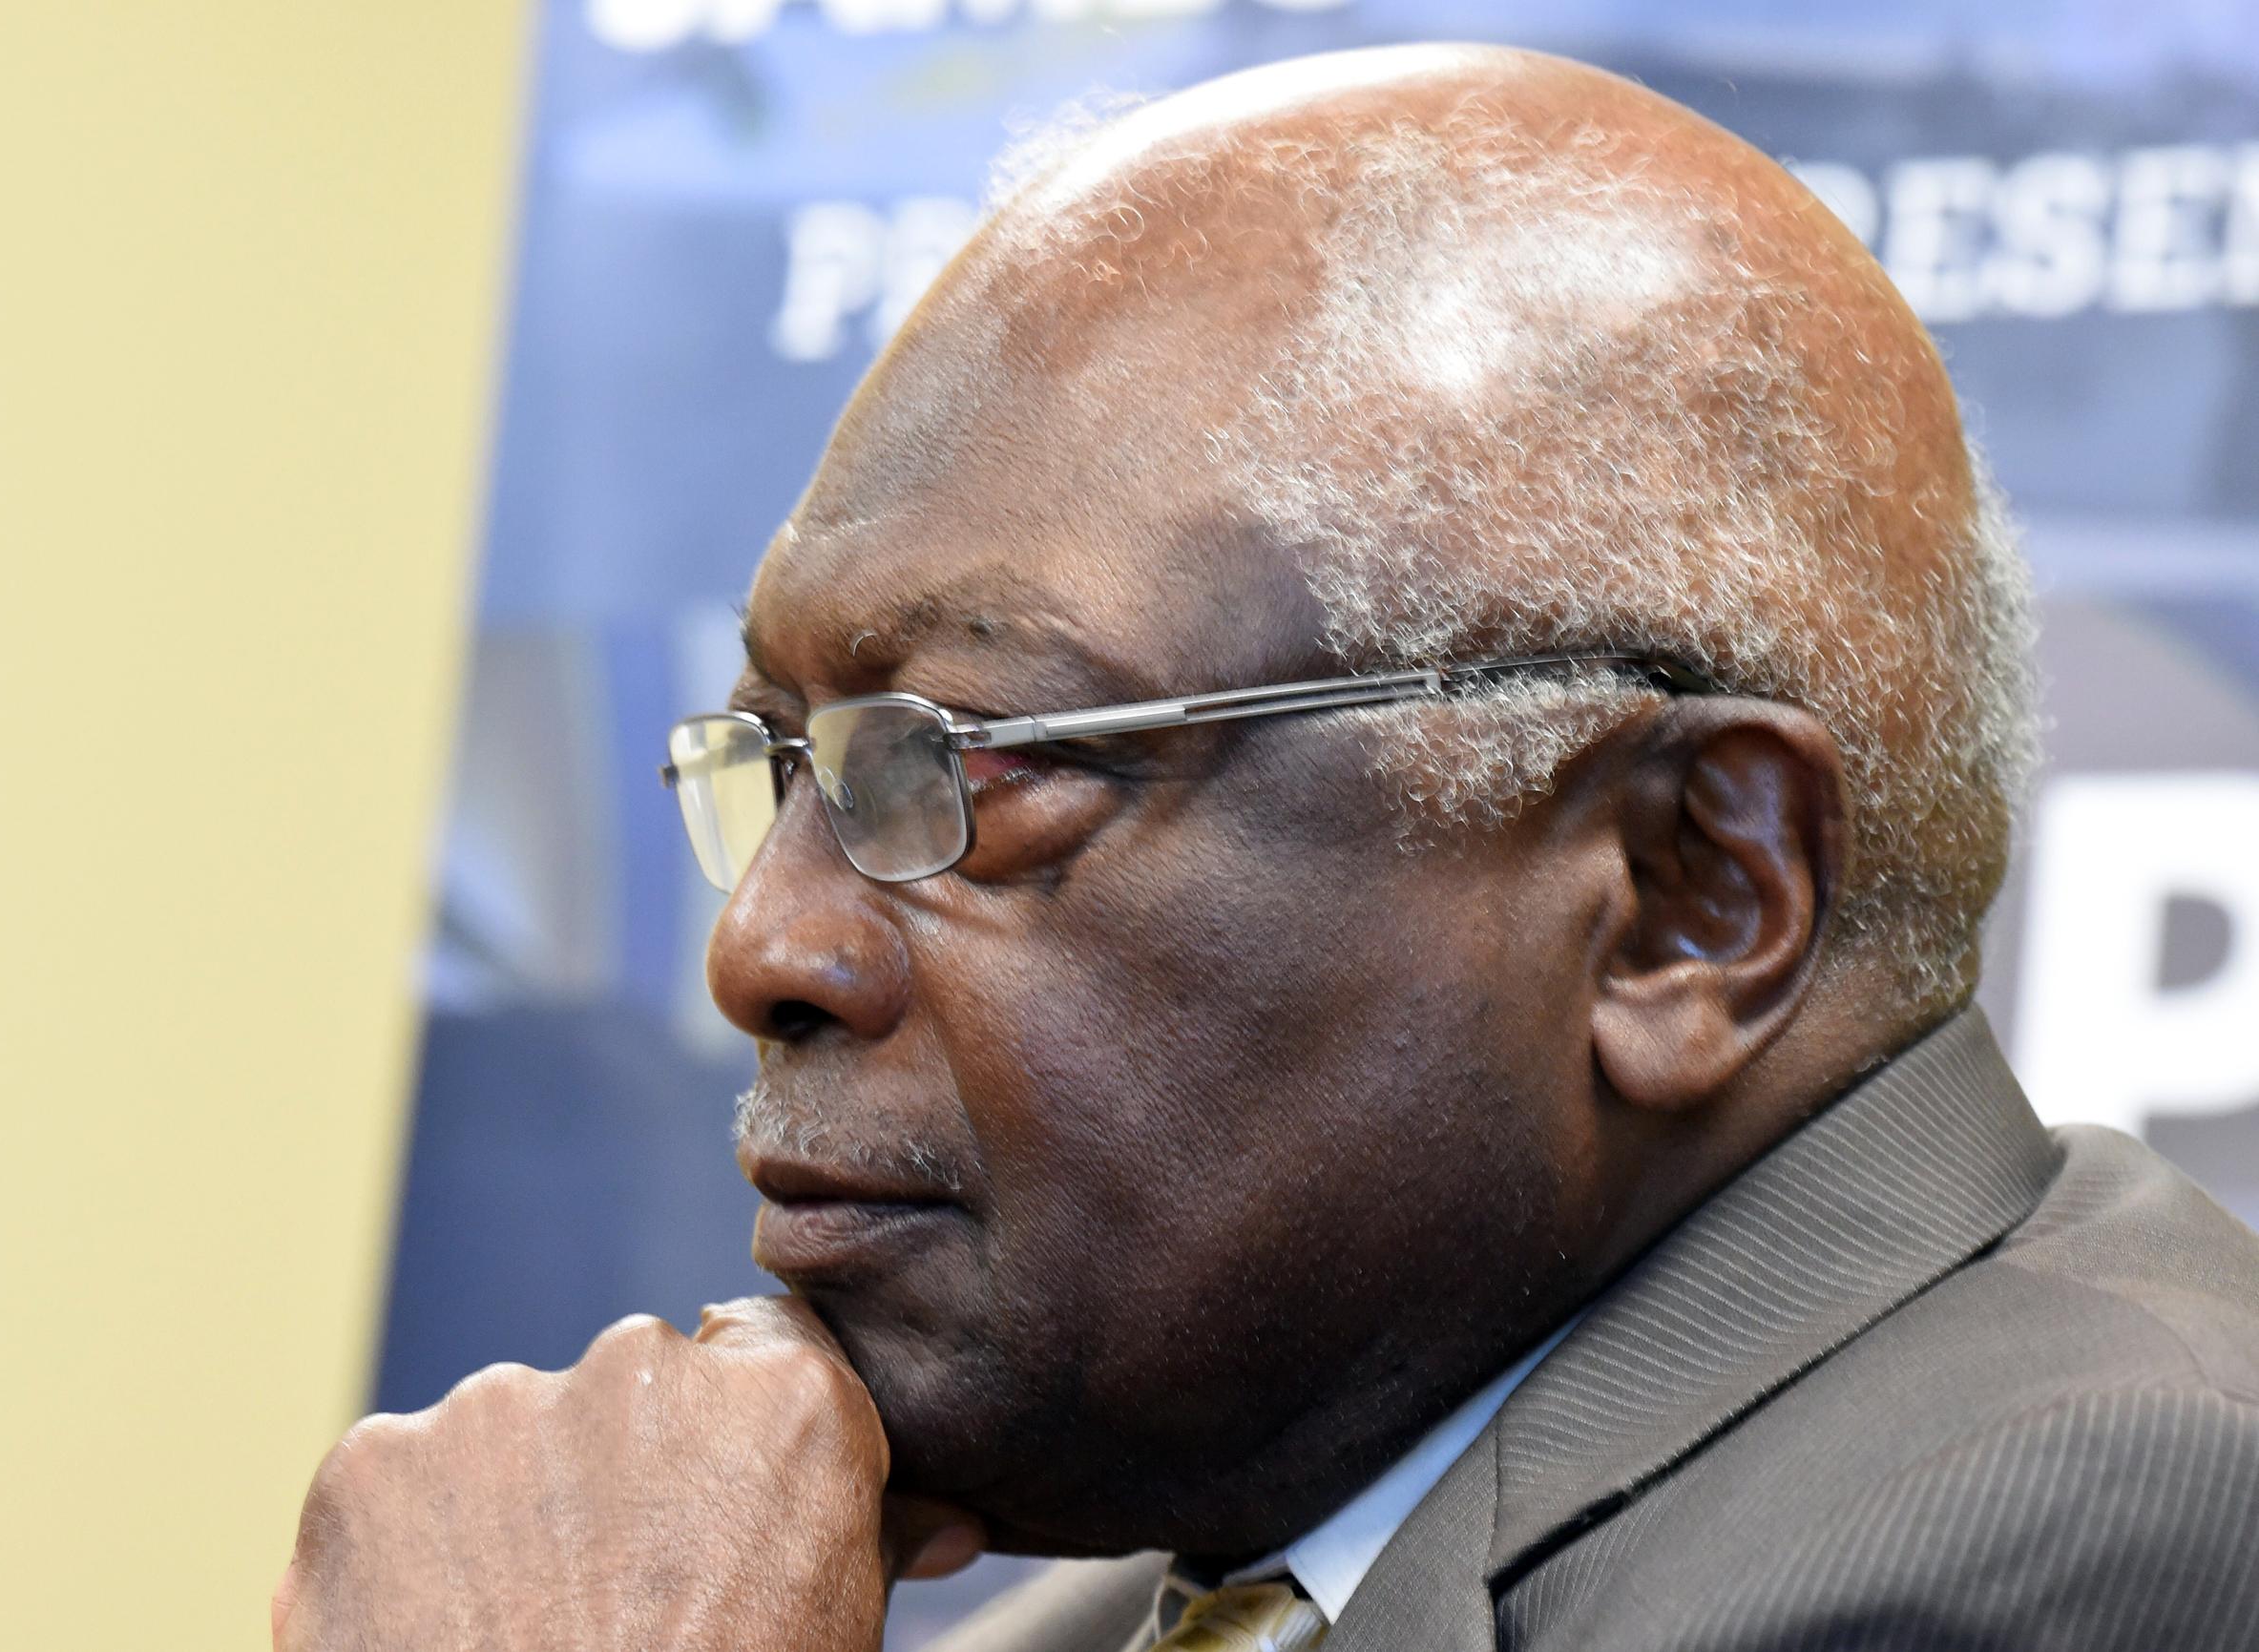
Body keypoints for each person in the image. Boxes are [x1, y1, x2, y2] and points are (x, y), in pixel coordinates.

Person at [273, 44, 2259, 1652]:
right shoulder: (1123, 1610)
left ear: (1683, 898)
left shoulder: (2083, 1523)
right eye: (785, 762)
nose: (764, 943)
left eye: (963, 759)